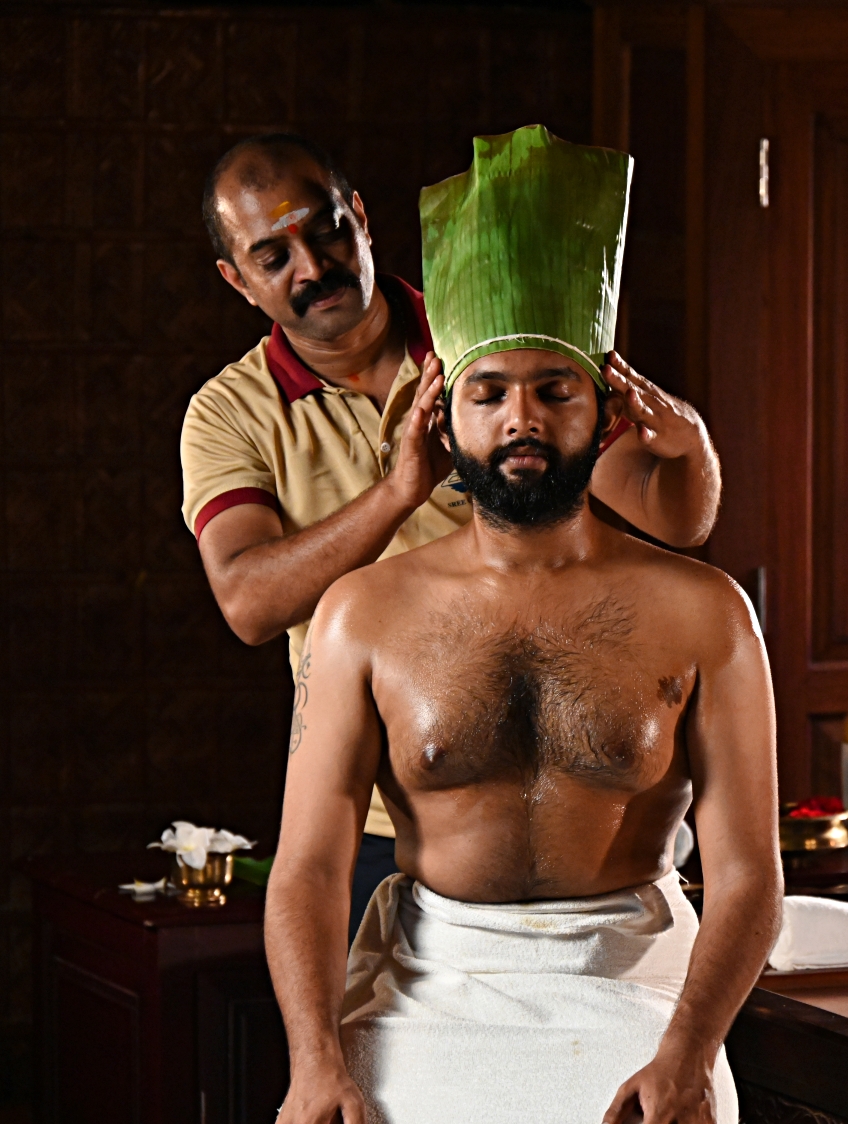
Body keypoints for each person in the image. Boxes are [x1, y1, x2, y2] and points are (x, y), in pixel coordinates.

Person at [265, 126, 781, 1124]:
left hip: (640, 991)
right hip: (425, 982)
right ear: (440, 416)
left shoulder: (703, 611)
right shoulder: (361, 614)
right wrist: (313, 1059)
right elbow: (309, 868)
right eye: (488, 394)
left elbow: (751, 871)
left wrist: (687, 1055)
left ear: (605, 413)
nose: (521, 421)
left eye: (554, 391)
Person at [182, 133, 724, 931]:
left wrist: (695, 449)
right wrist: (401, 491)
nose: (312, 267)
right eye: (272, 255)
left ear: (360, 218)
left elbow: (671, 518)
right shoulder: (228, 413)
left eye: (325, 229)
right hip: (384, 813)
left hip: (580, 794)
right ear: (236, 278)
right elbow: (249, 603)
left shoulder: (492, 338)